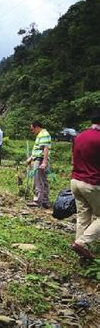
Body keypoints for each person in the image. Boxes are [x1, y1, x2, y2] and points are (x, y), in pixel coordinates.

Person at [70, 111, 100, 259]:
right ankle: (82, 243)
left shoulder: (79, 136)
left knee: (83, 217)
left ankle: (81, 253)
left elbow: (73, 159)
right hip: (92, 183)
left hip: (75, 181)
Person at [26, 121, 51, 209]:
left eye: (32, 129)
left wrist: (44, 162)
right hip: (38, 159)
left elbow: (45, 149)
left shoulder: (43, 134)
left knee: (38, 180)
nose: (32, 131)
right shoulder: (41, 134)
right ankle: (45, 201)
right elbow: (38, 150)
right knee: (43, 180)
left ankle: (38, 201)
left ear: (37, 127)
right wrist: (31, 158)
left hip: (40, 160)